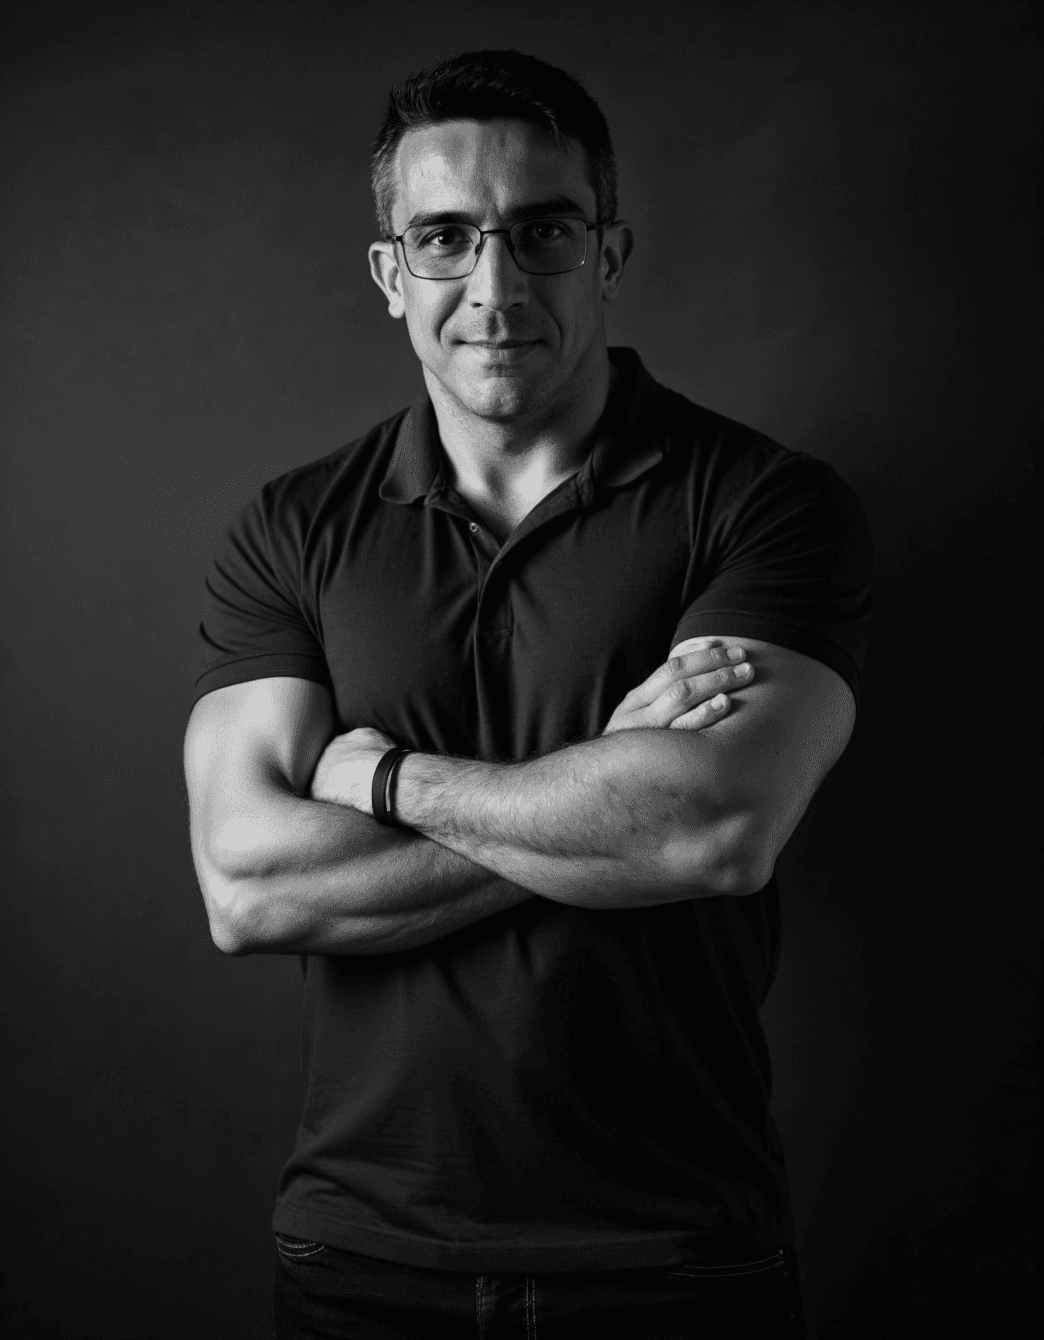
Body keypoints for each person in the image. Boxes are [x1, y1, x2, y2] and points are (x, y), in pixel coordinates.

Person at [184, 48, 872, 1339]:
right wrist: (605, 793)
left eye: (543, 232)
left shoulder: (764, 505)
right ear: (390, 273)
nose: (494, 289)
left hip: (677, 1258)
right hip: (360, 1253)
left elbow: (713, 830)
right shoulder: (293, 529)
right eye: (444, 238)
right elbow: (247, 886)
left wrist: (381, 778)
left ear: (608, 254)